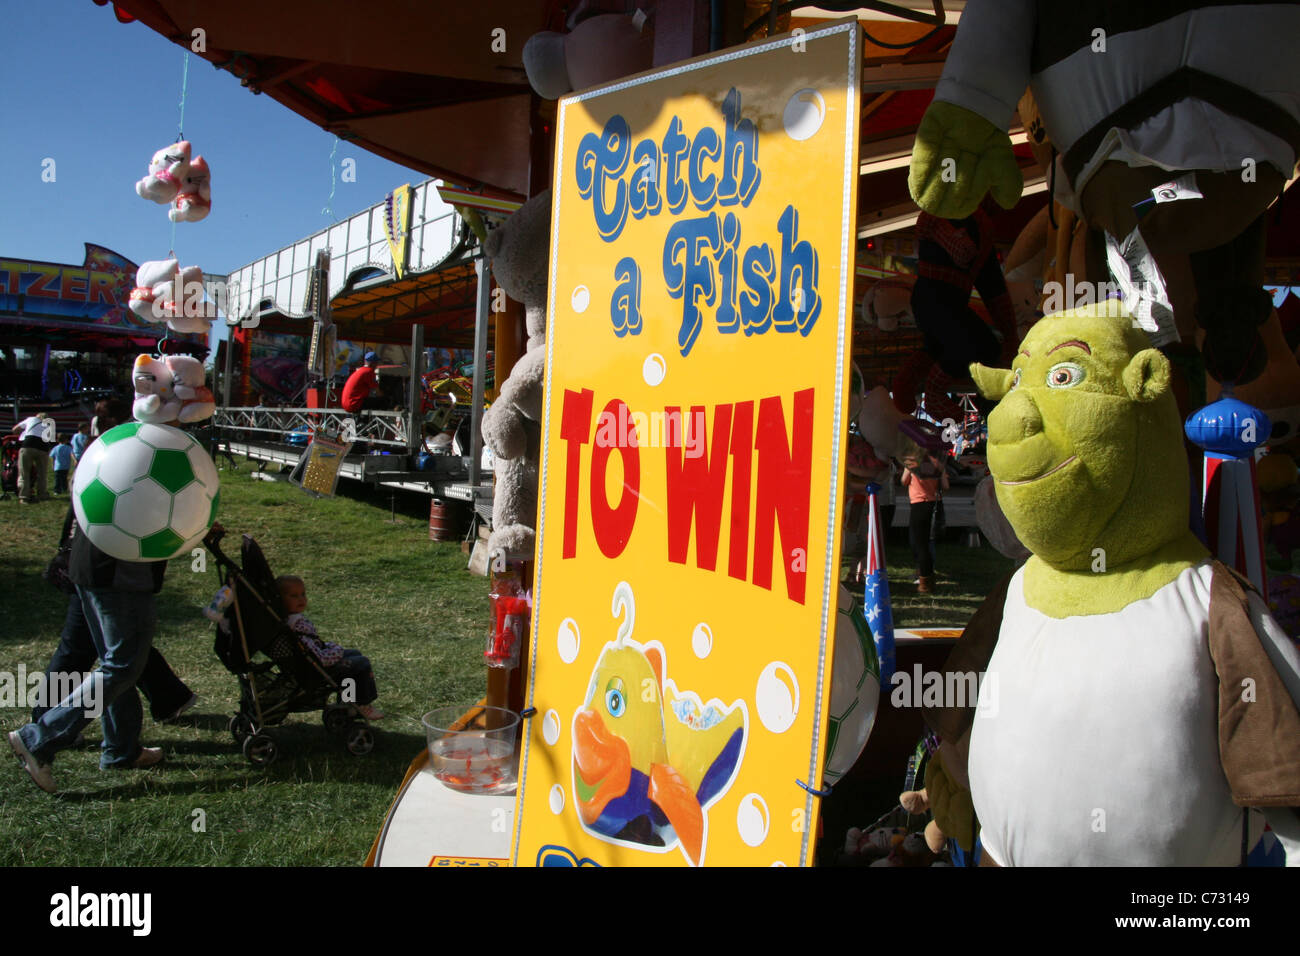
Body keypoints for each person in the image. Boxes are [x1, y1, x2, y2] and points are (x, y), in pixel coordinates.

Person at [276, 575, 384, 720]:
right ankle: (361, 704)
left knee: (354, 653)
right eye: (294, 596)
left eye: (303, 594)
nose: (301, 599)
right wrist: (336, 650)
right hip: (314, 669)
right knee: (361, 664)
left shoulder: (286, 621)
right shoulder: (296, 626)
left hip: (308, 662)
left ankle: (347, 701)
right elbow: (320, 659)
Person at [901, 451, 949, 594]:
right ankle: (928, 577)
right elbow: (946, 486)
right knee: (928, 542)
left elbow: (904, 481)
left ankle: (924, 581)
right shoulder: (937, 463)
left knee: (919, 543)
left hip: (917, 503)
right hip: (933, 503)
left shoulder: (911, 461)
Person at [10, 410, 54, 503]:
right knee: (42, 474)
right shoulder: (49, 425)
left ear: (37, 416)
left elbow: (15, 429)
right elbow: (50, 439)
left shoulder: (31, 419)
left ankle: (24, 496)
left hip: (28, 445)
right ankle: (42, 494)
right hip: (43, 447)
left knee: (24, 472)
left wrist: (21, 434)